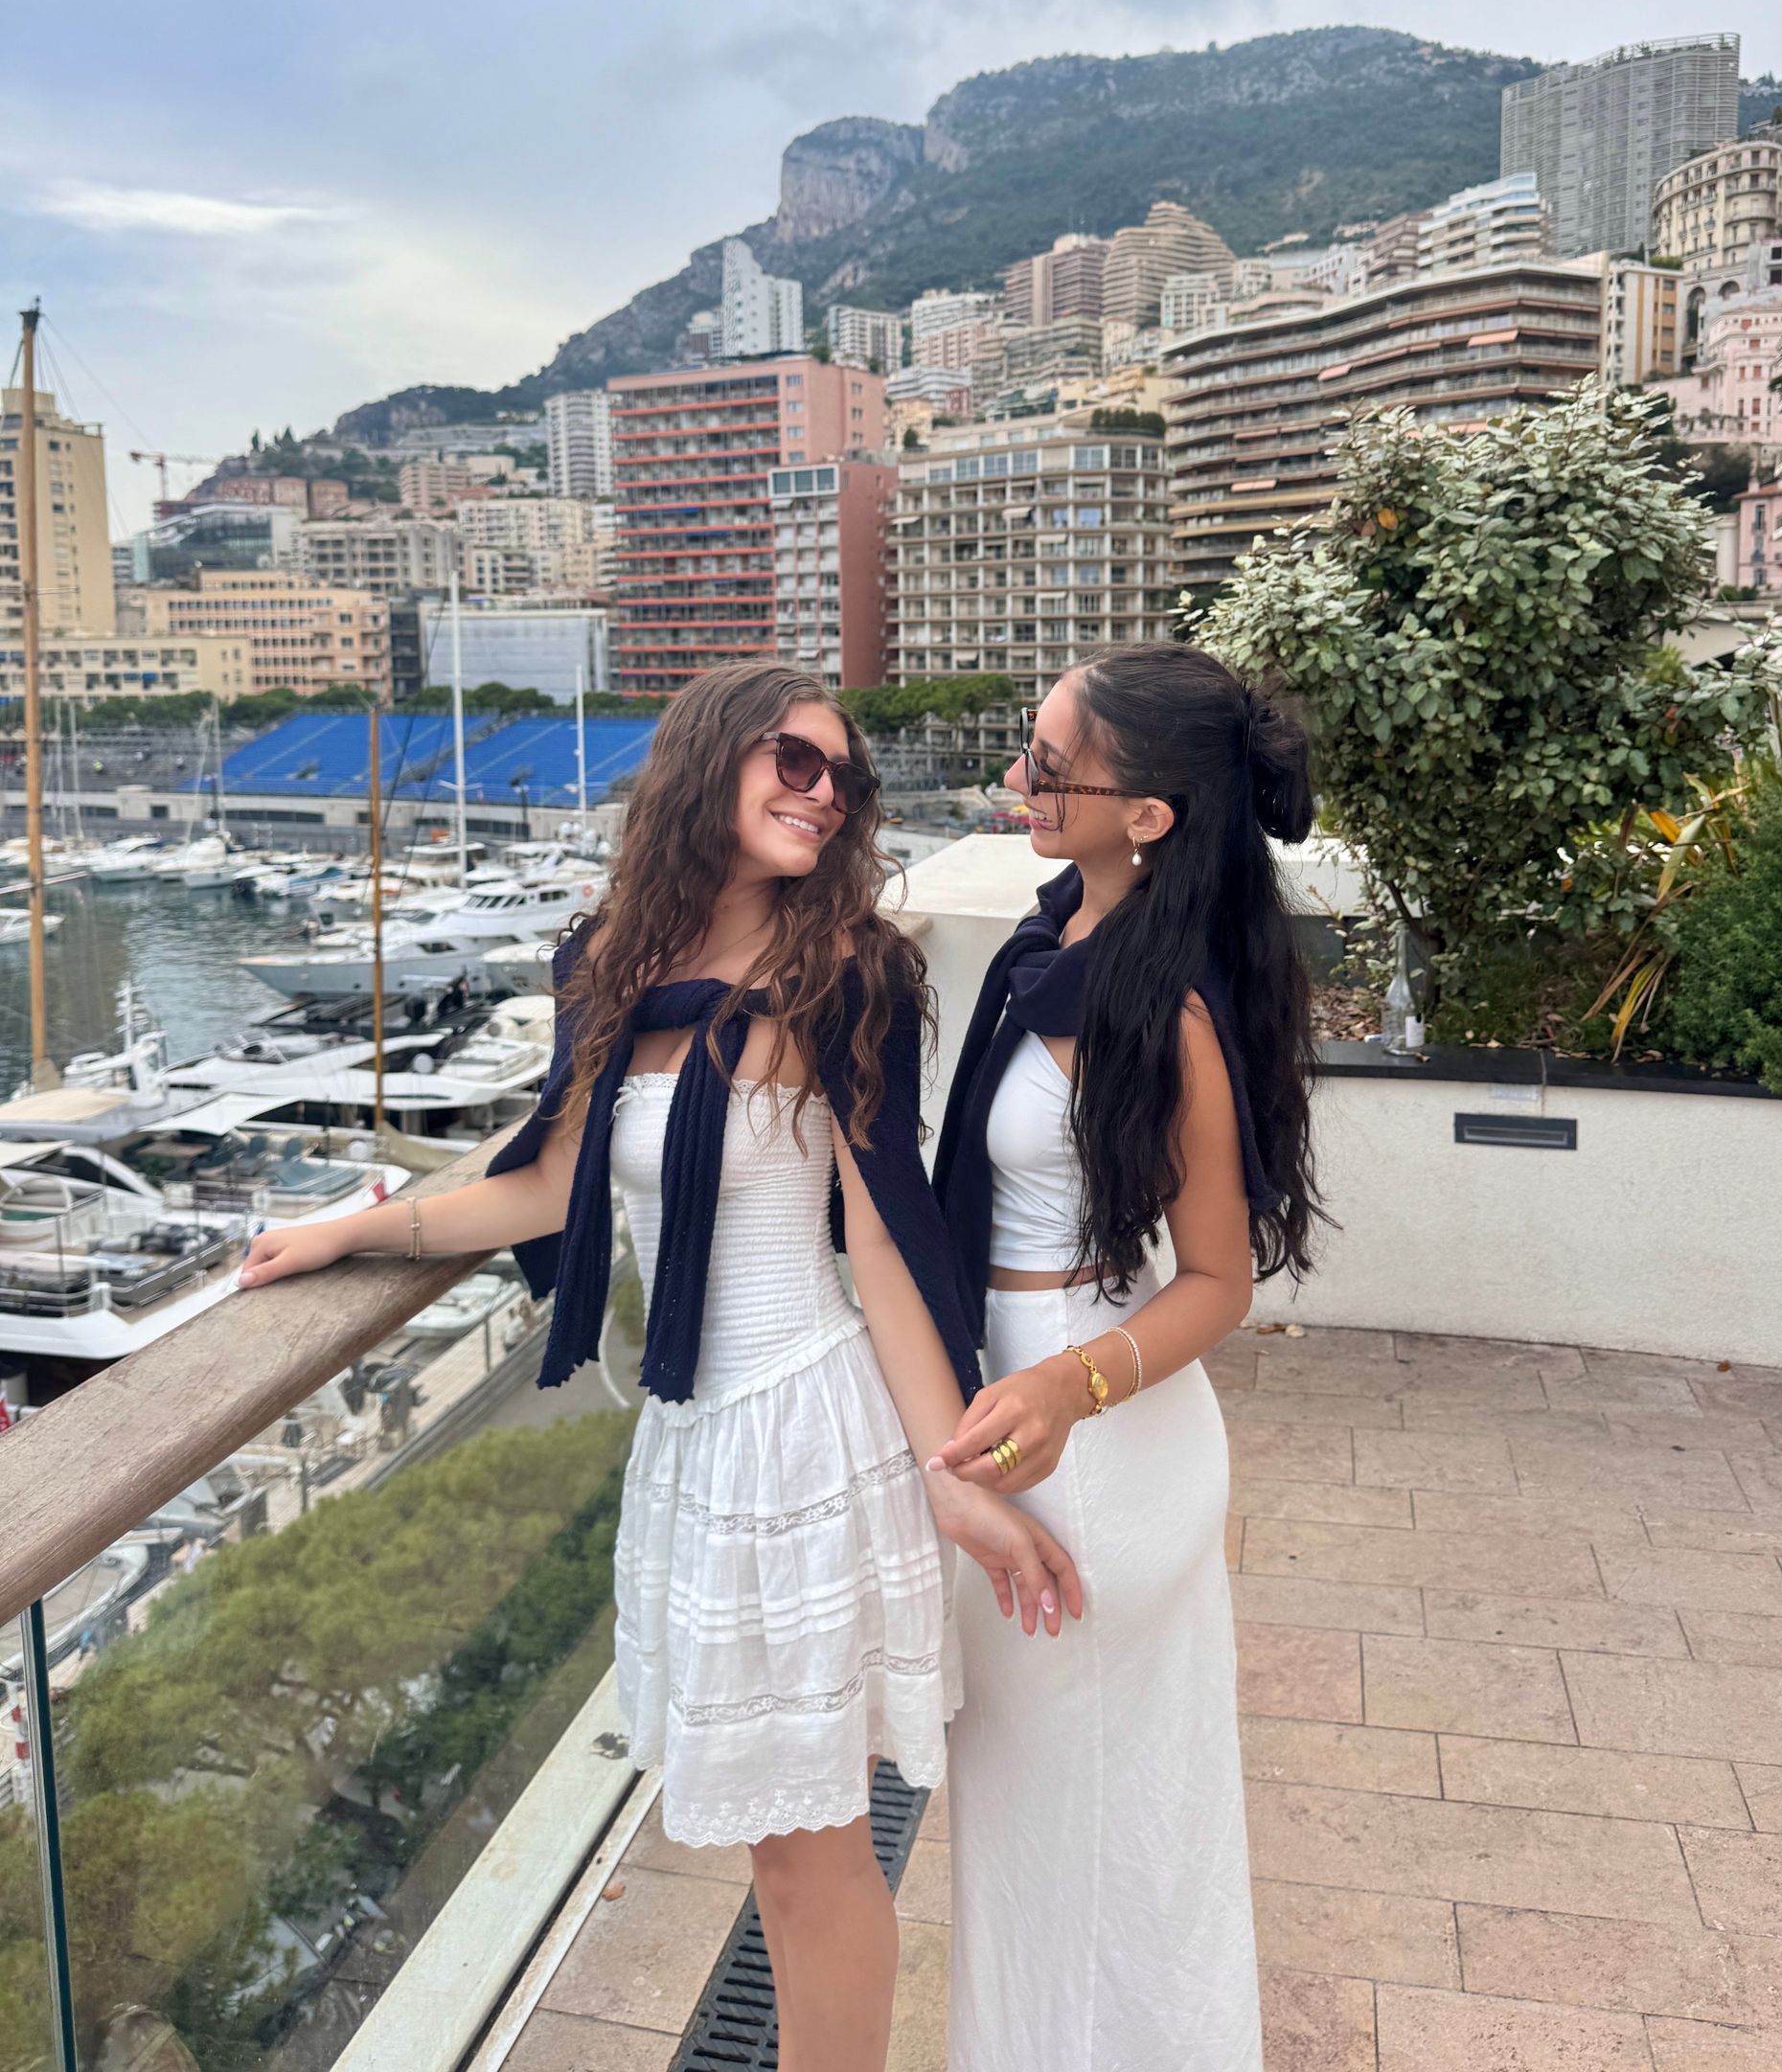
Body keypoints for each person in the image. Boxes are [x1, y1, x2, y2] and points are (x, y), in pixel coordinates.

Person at [239, 663, 1079, 2072]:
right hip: (694, 1450)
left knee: (814, 1866)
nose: (824, 794)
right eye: (794, 763)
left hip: (810, 1436)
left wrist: (950, 1478)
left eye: (842, 778)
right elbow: (551, 1181)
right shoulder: (606, 959)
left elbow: (880, 1233)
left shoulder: (848, 971)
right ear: (710, 763)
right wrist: (352, 1234)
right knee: (776, 1854)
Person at [929, 642, 1322, 2072]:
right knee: (1063, 1840)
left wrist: (1058, 1388)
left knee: (1090, 1843)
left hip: (1087, 1446)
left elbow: (1219, 1279)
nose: (1021, 779)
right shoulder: (1058, 951)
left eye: (1048, 761)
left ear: (1145, 814)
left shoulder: (1162, 1008)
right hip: (1048, 1418)